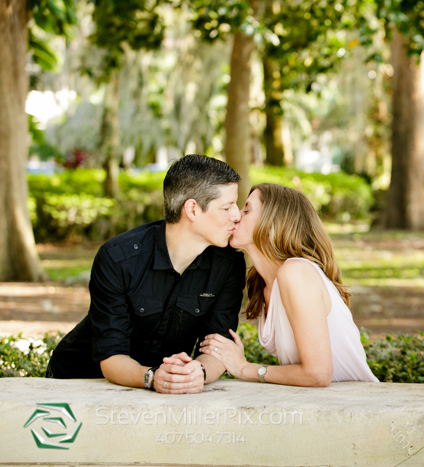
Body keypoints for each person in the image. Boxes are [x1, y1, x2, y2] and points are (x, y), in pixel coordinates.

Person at [46, 154, 247, 394]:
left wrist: (198, 373)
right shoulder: (117, 258)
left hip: (158, 388)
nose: (237, 215)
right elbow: (111, 356)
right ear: (192, 209)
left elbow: (217, 347)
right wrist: (152, 377)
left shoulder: (228, 263)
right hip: (81, 382)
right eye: (227, 207)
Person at [199, 183, 379, 386]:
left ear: (273, 221)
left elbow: (318, 374)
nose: (236, 216)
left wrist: (243, 368)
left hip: (353, 405)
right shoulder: (265, 285)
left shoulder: (295, 272)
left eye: (247, 209)